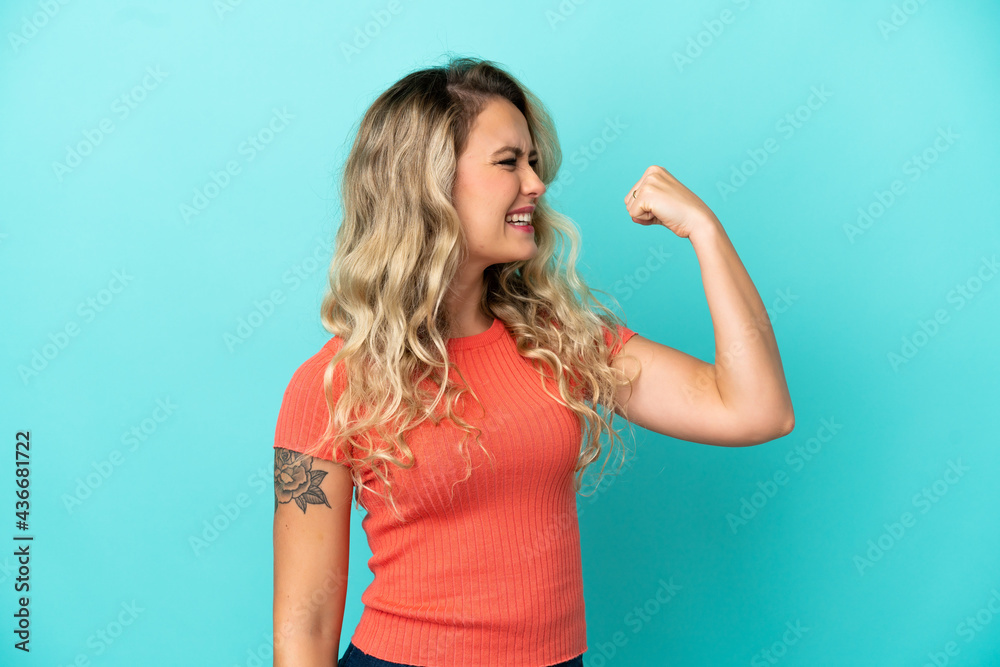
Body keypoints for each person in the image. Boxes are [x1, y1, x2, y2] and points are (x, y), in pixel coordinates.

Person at [272, 55, 794, 667]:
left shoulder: (562, 341)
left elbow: (757, 412)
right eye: (508, 162)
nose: (536, 184)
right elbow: (303, 627)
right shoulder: (328, 385)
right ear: (427, 182)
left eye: (534, 161)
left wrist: (706, 232)